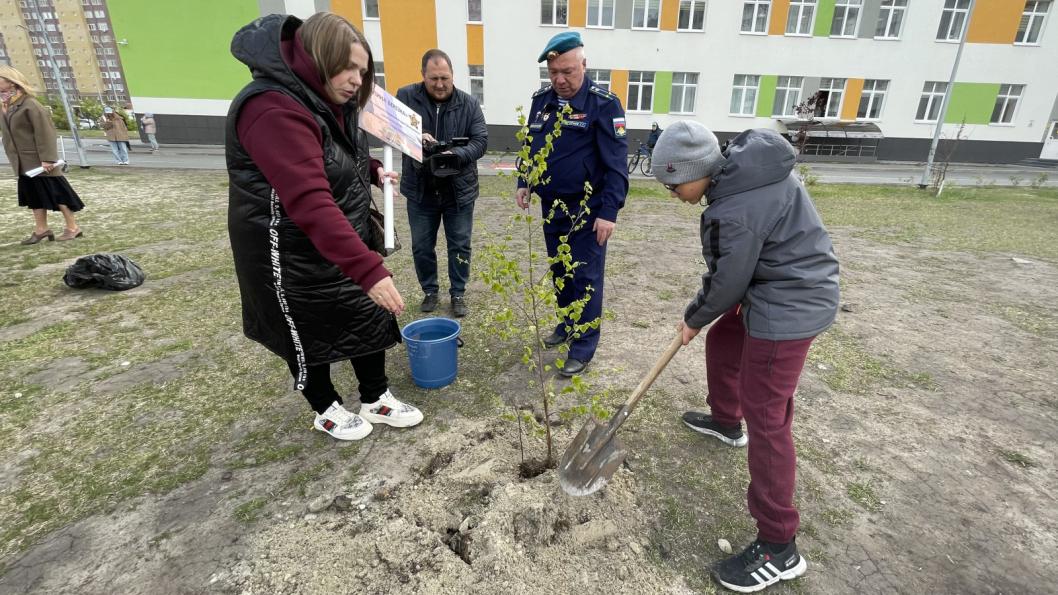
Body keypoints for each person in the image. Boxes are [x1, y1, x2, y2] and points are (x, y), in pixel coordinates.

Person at [651, 121, 839, 593]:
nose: (671, 193)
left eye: (674, 184)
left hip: (789, 302)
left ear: (697, 170)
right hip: (777, 280)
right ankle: (725, 420)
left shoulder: (733, 208)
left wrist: (693, 318)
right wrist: (707, 318)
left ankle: (779, 547)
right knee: (726, 339)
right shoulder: (744, 174)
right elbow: (736, 274)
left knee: (769, 417)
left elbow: (726, 281)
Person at [226, 12, 423, 440]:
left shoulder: (329, 100)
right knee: (306, 324)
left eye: (363, 71)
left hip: (339, 236)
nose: (356, 80)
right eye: (348, 67)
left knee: (365, 312)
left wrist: (370, 169)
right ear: (319, 57)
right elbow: (309, 197)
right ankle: (325, 406)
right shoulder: (271, 107)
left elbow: (332, 154)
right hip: (287, 246)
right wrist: (368, 269)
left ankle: (375, 396)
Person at [515, 31, 628, 377]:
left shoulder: (604, 105)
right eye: (554, 73)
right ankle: (567, 324)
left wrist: (609, 212)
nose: (561, 80)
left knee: (586, 277)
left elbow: (617, 166)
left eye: (568, 71)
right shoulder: (541, 101)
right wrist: (525, 181)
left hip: (587, 210)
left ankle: (584, 345)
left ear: (583, 64)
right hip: (552, 207)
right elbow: (532, 147)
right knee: (561, 272)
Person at [396, 49, 487, 318]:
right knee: (422, 245)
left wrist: (455, 156)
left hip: (458, 191)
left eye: (444, 78)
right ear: (422, 75)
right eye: (433, 78)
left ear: (452, 76)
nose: (439, 84)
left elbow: (480, 141)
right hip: (420, 189)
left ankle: (458, 292)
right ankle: (430, 291)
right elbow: (392, 131)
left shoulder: (469, 104)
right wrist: (415, 137)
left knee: (460, 244)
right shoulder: (405, 97)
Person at [0, 65, 85, 244]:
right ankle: (41, 229)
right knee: (33, 195)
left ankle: (73, 228)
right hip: (22, 161)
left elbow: (45, 131)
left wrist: (48, 158)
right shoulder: (5, 104)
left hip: (39, 160)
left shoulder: (29, 103)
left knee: (57, 193)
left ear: (10, 81)